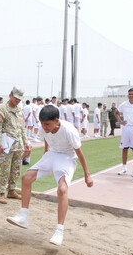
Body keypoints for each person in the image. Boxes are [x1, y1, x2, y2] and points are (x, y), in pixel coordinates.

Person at [7, 105, 93, 246]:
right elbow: (46, 137)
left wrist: (87, 175)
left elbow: (79, 153)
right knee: (26, 178)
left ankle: (59, 230)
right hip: (52, 154)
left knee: (62, 190)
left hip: (67, 157)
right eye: (42, 124)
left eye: (47, 124)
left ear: (56, 121)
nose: (44, 127)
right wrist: (46, 151)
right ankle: (23, 216)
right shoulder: (43, 128)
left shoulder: (69, 130)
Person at [0, 86, 31, 204]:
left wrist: (26, 142)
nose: (17, 101)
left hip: (18, 145)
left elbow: (22, 128)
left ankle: (11, 191)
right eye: (16, 98)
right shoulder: (2, 109)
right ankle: (1, 193)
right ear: (10, 95)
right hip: (6, 146)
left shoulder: (19, 110)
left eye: (19, 99)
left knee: (16, 169)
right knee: (5, 169)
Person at [115, 88, 133, 177]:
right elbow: (116, 113)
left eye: (132, 94)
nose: (130, 96)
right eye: (129, 94)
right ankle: (124, 168)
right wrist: (120, 121)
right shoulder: (124, 104)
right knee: (124, 148)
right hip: (126, 128)